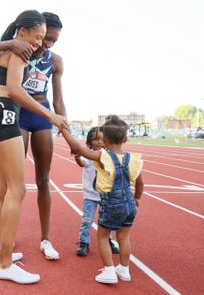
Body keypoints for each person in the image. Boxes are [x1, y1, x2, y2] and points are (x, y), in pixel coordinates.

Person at [0, 10, 68, 284]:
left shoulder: (9, 49)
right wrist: (49, 115)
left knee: (0, 189)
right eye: (39, 36)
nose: (42, 43)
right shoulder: (18, 52)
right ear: (23, 32)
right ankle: (5, 264)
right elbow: (17, 91)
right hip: (7, 119)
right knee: (17, 190)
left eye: (46, 38)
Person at [61, 115, 144, 284]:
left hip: (111, 203)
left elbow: (79, 148)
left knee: (103, 236)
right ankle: (124, 269)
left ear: (104, 139)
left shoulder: (103, 156)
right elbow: (140, 183)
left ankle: (109, 271)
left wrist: (64, 130)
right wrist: (137, 198)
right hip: (129, 203)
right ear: (126, 138)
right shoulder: (133, 159)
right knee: (124, 237)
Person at [73, 127, 120, 256]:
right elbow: (82, 163)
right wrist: (77, 158)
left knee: (106, 220)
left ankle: (109, 240)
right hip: (90, 195)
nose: (99, 142)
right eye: (95, 139)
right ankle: (84, 242)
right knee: (87, 219)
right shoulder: (89, 155)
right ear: (89, 141)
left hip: (106, 195)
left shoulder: (110, 156)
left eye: (102, 139)